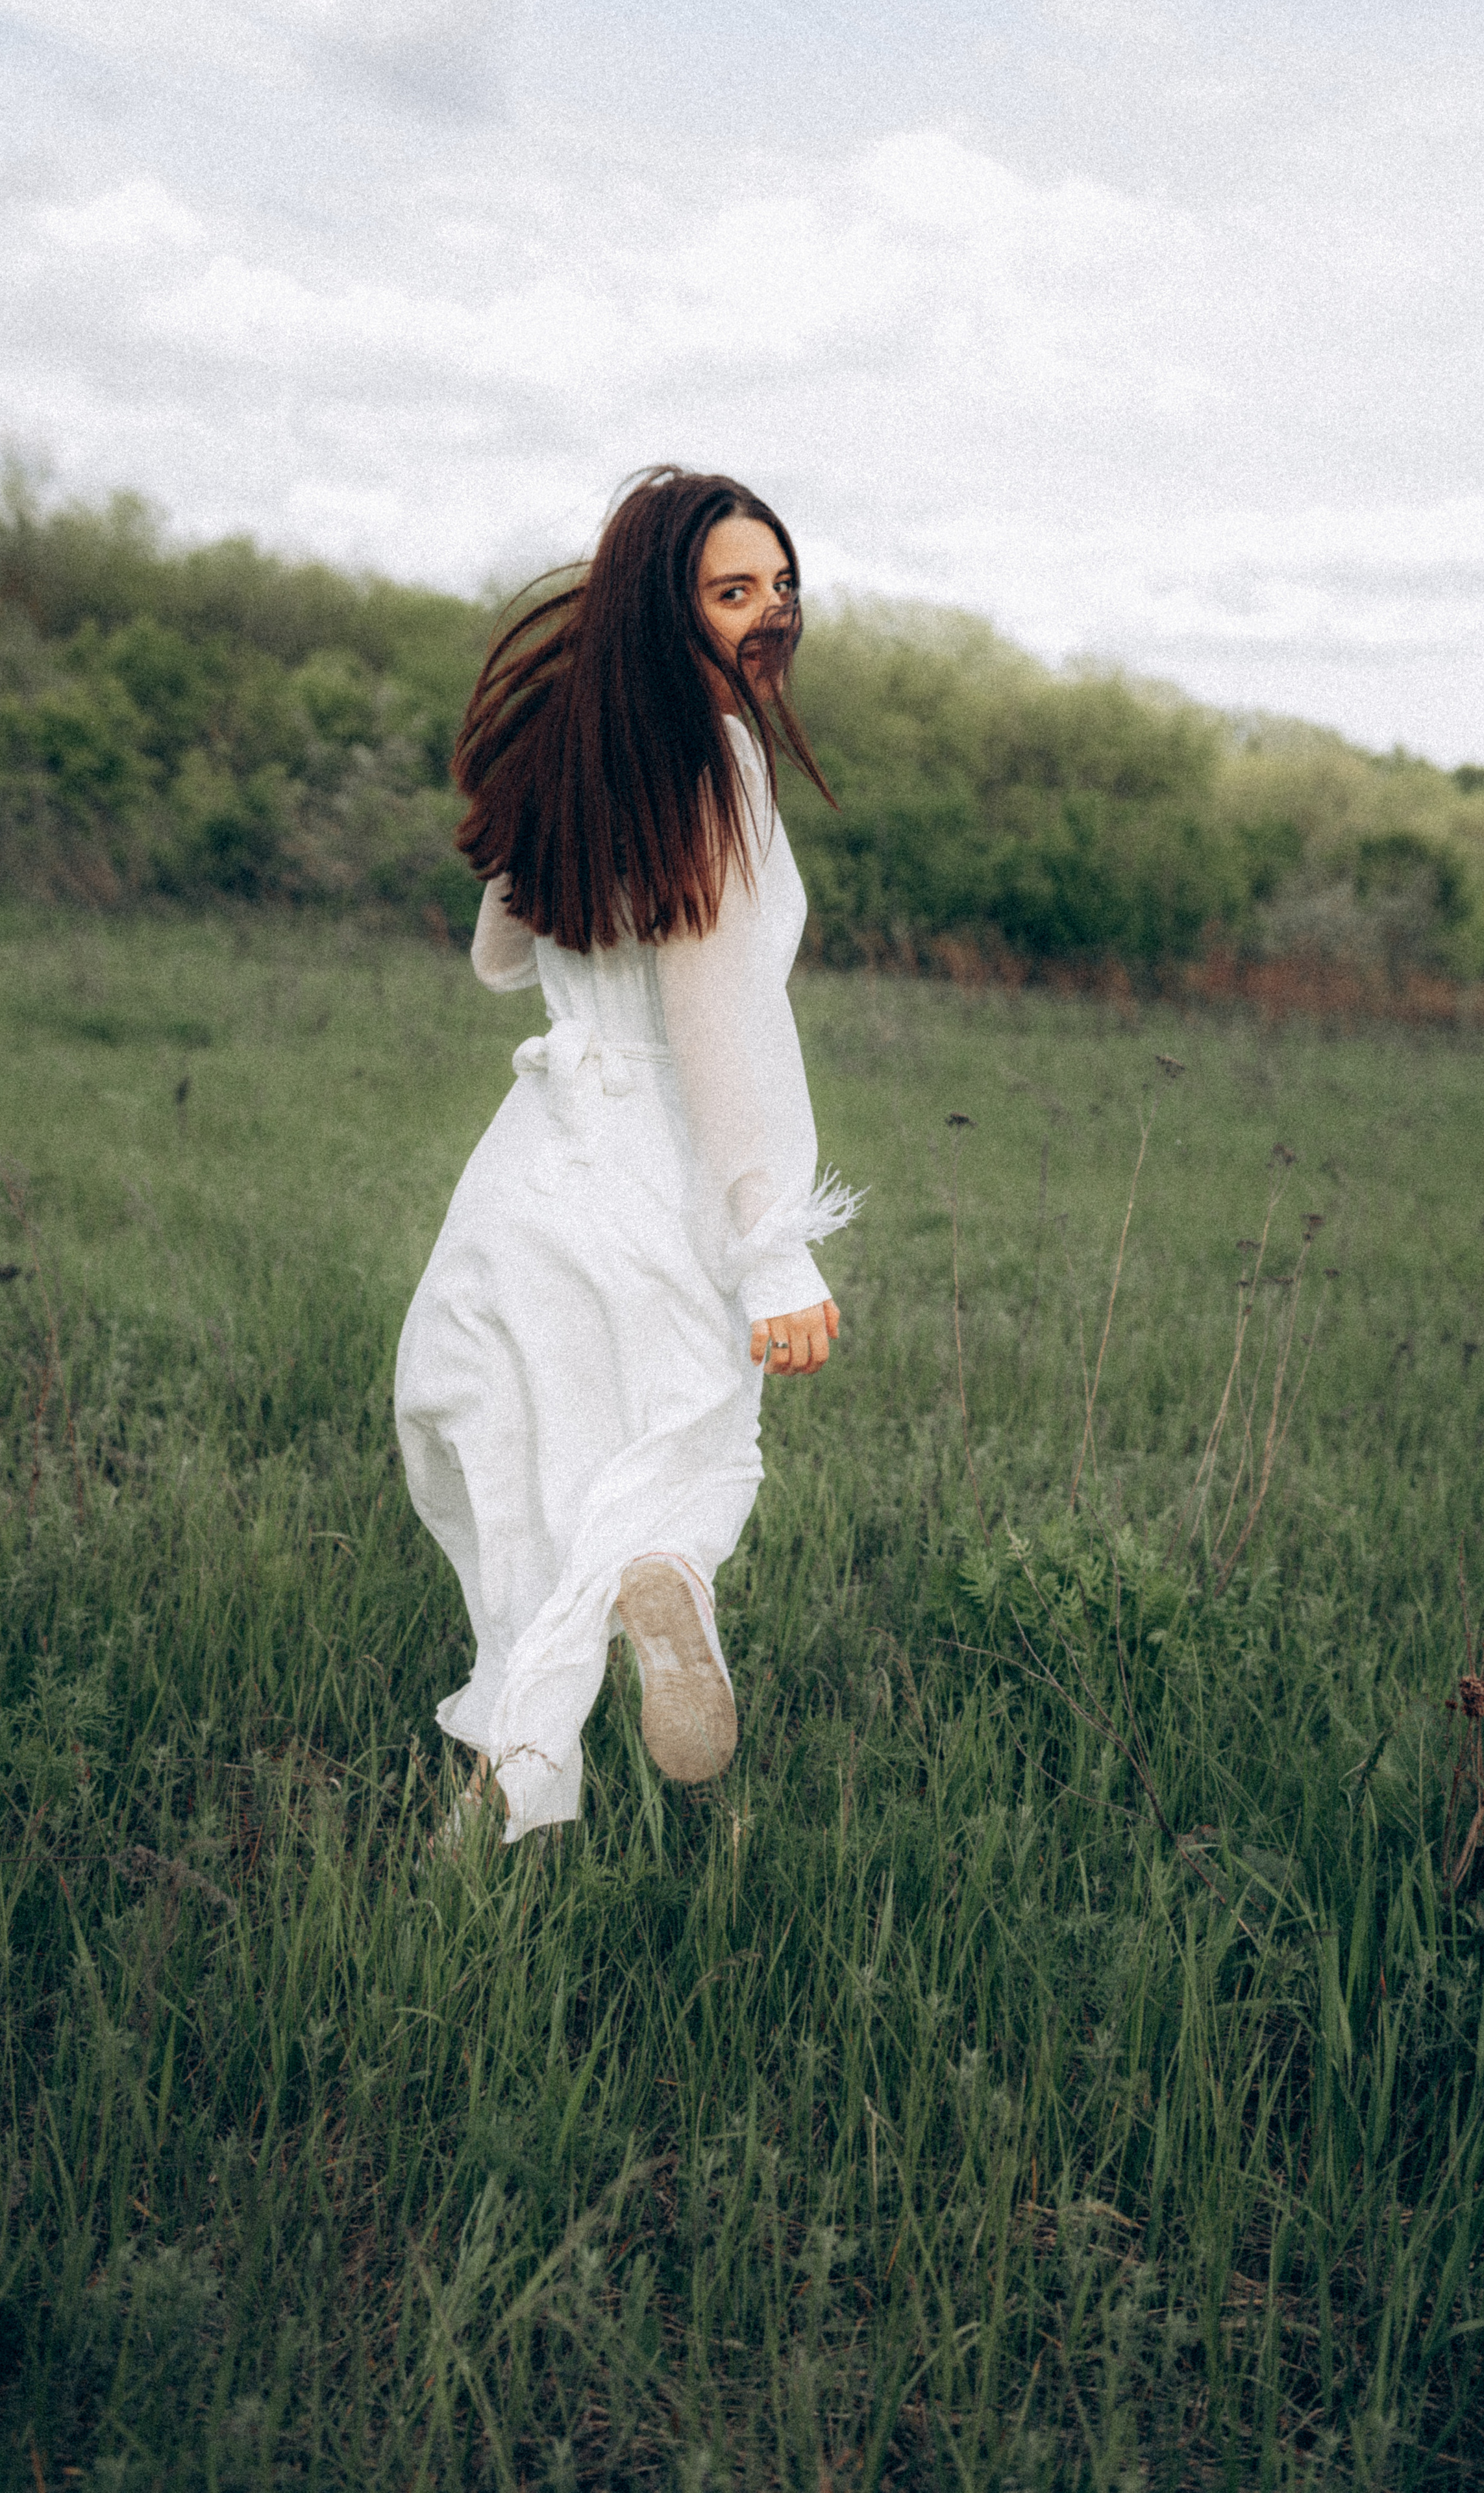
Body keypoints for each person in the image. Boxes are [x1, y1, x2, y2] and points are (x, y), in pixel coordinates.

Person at [395, 466, 858, 1842]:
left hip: (532, 1170)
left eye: (779, 586)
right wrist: (772, 1247)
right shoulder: (716, 759)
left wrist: (560, 818)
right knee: (680, 1449)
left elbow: (497, 959)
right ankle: (661, 1573)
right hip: (659, 1167)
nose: (767, 615)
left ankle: (504, 1805)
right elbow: (719, 1023)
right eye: (733, 591)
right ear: (668, 608)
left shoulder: (572, 743)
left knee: (517, 1467)